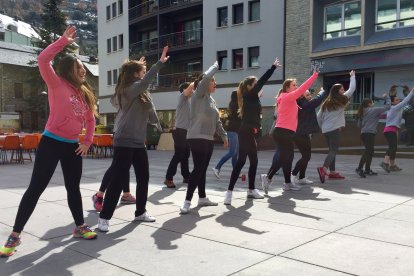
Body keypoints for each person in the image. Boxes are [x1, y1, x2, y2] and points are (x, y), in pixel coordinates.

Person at [0, 26, 98, 257]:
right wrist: (62, 41)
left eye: (84, 68)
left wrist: (87, 141)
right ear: (69, 69)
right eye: (79, 67)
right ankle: (15, 235)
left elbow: (90, 119)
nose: (83, 71)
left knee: (73, 187)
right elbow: (44, 59)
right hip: (51, 143)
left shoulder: (83, 93)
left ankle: (79, 226)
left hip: (72, 145)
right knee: (36, 188)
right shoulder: (56, 83)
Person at [97, 46, 170, 232]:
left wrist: (159, 125)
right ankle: (104, 217)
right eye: (142, 72)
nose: (145, 74)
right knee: (118, 179)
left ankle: (140, 212)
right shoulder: (127, 90)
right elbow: (144, 83)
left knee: (143, 177)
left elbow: (150, 109)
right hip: (124, 139)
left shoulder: (141, 92)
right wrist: (159, 64)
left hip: (138, 141)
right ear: (136, 74)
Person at [223, 58, 281, 205]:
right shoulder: (250, 95)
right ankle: (230, 192)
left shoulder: (252, 98)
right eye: (254, 85)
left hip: (250, 132)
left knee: (252, 161)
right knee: (243, 161)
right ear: (250, 87)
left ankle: (250, 190)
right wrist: (273, 67)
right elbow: (262, 81)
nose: (257, 86)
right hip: (245, 133)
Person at [261, 66, 319, 194]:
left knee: (288, 157)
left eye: (296, 84)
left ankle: (287, 183)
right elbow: (303, 88)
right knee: (285, 157)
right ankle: (268, 177)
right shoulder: (288, 97)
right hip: (283, 132)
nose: (296, 86)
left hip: (284, 132)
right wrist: (314, 76)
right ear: (287, 88)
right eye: (293, 85)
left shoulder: (286, 98)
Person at [180, 61, 228, 214]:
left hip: (208, 138)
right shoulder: (198, 95)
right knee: (199, 168)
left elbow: (217, 120)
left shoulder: (212, 100)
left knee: (202, 168)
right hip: (196, 137)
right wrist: (215, 67)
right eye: (214, 82)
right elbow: (205, 78)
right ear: (205, 83)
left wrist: (224, 135)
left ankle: (202, 198)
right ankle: (187, 201)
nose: (215, 85)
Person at [316, 70, 356, 183]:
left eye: (343, 89)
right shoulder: (342, 99)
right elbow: (352, 89)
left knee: (331, 150)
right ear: (337, 91)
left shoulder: (326, 102)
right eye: (342, 89)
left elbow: (318, 117)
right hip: (334, 130)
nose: (344, 91)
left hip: (326, 130)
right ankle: (323, 169)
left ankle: (332, 172)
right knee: (333, 150)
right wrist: (352, 76)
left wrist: (320, 128)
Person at [291, 88, 328, 185]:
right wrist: (321, 92)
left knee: (306, 156)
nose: (310, 96)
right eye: (307, 95)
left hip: (302, 133)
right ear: (302, 97)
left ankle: (302, 178)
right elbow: (317, 101)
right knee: (307, 156)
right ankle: (293, 174)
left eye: (309, 94)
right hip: (300, 134)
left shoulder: (303, 103)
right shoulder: (303, 104)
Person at [164, 82, 194, 188]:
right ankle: (168, 178)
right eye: (191, 90)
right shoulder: (182, 98)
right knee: (178, 155)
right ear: (185, 90)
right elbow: (190, 88)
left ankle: (186, 176)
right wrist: (199, 80)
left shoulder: (189, 102)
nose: (193, 91)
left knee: (185, 155)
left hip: (186, 132)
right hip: (180, 131)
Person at [355, 94, 390, 177]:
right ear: (369, 104)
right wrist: (386, 97)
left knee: (370, 151)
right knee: (368, 151)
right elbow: (387, 107)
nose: (373, 103)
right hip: (369, 134)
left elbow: (359, 125)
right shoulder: (373, 110)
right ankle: (359, 168)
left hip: (364, 133)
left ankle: (367, 169)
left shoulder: (362, 111)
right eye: (372, 102)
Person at [380, 87, 414, 172]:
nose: (399, 101)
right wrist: (412, 92)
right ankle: (385, 162)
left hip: (393, 130)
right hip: (390, 130)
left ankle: (392, 165)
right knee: (392, 147)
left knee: (394, 148)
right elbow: (405, 101)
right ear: (392, 102)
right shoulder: (394, 108)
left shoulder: (397, 110)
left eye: (399, 99)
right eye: (397, 100)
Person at [212, 90, 241, 179]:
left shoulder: (233, 104)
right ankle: (217, 167)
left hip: (234, 131)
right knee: (232, 152)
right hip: (233, 131)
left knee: (235, 154)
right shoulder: (236, 105)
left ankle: (236, 172)